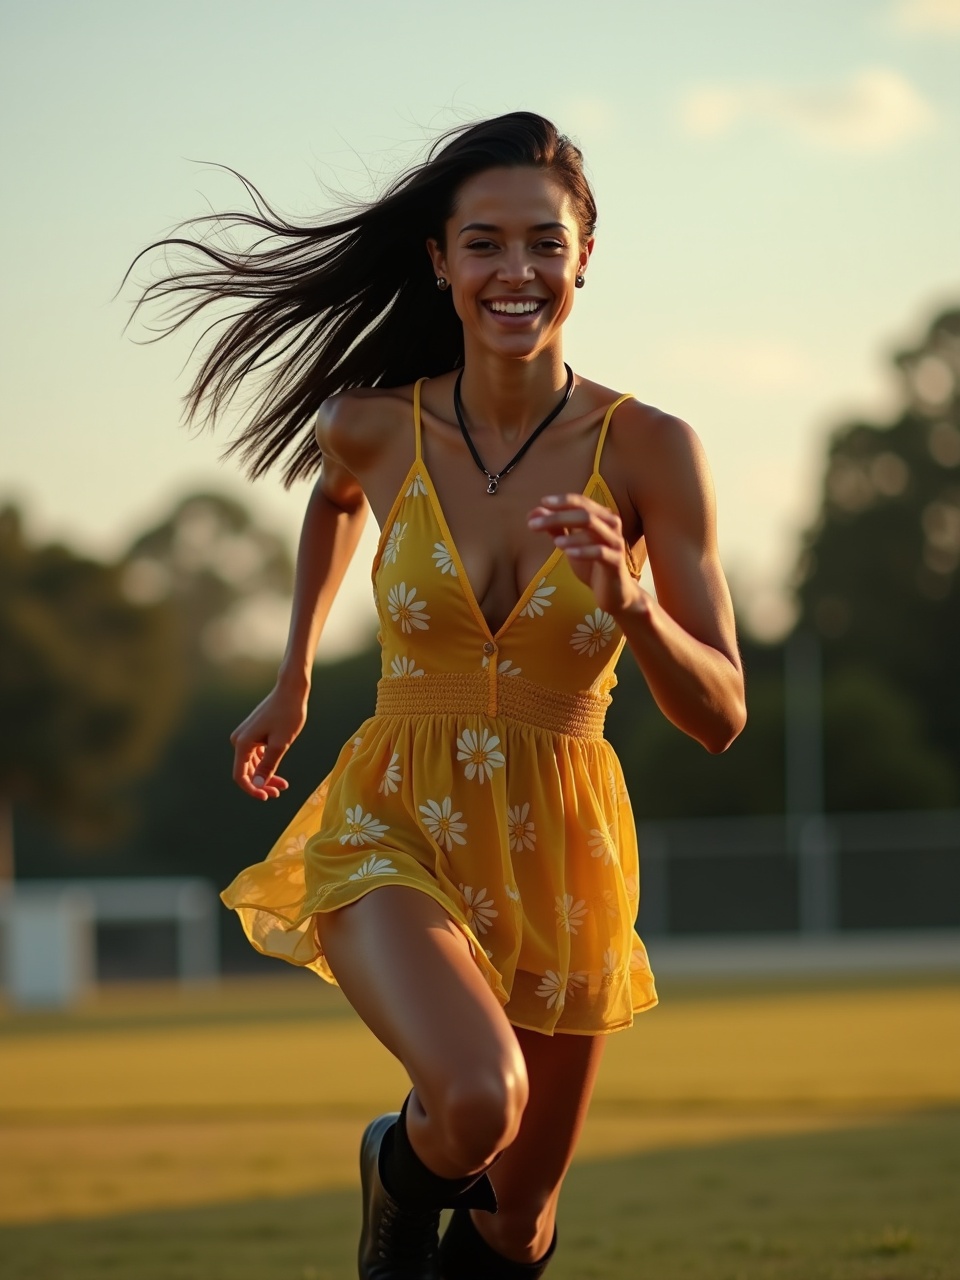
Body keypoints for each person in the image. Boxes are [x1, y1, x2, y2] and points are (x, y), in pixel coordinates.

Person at [132, 111, 746, 1279]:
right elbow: (330, 501)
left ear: (584, 256)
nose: (516, 271)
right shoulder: (373, 425)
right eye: (485, 243)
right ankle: (393, 1183)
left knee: (517, 1216)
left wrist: (634, 606)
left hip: (563, 845)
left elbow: (721, 717)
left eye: (544, 244)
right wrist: (295, 672)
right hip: (394, 814)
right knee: (474, 1098)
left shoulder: (657, 450)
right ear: (440, 261)